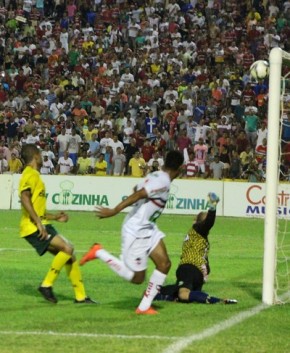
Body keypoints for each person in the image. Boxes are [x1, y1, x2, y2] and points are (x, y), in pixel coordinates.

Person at [80, 150, 184, 314]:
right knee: (137, 278)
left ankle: (144, 307)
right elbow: (139, 193)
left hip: (148, 227)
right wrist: (115, 210)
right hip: (136, 231)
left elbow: (137, 187)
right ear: (180, 169)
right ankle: (99, 252)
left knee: (164, 264)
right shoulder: (163, 181)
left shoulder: (156, 175)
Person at [18, 144, 96, 304]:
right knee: (68, 248)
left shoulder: (34, 175)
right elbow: (25, 198)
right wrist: (39, 224)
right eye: (40, 154)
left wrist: (54, 217)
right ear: (35, 156)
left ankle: (81, 297)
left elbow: (36, 207)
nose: (41, 156)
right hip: (33, 226)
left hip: (40, 223)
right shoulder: (29, 174)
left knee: (69, 256)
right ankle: (46, 284)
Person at [154, 193, 237, 305]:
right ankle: (218, 301)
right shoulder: (198, 230)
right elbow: (208, 223)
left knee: (185, 295)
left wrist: (206, 270)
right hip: (191, 269)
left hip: (193, 271)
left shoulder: (198, 235)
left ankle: (158, 293)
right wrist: (212, 207)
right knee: (184, 295)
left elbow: (203, 256)